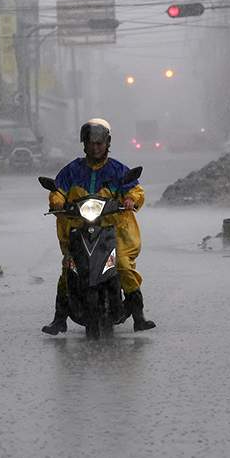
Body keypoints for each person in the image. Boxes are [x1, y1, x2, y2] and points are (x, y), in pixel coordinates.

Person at [41, 118, 156, 334]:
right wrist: (56, 200)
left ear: (107, 144)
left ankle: (139, 315)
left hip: (114, 232)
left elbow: (135, 190)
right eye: (91, 143)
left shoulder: (118, 170)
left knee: (122, 264)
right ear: (84, 144)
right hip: (79, 230)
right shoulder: (72, 170)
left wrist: (130, 199)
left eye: (99, 143)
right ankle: (59, 318)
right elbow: (58, 190)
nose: (95, 148)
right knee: (69, 267)